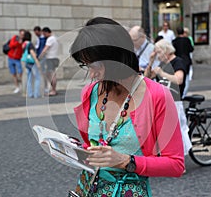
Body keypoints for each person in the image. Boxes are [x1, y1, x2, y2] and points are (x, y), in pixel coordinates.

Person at [70, 17, 184, 196]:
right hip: (87, 187)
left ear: (116, 58)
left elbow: (176, 164)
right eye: (86, 65)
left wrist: (126, 161)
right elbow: (90, 144)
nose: (91, 74)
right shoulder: (90, 93)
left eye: (95, 65)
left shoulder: (158, 96)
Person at [145, 39, 192, 158]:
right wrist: (151, 62)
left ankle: (180, 159)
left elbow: (179, 79)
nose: (158, 56)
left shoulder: (178, 62)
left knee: (178, 131)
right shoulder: (162, 64)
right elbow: (147, 77)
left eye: (159, 53)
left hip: (175, 100)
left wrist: (162, 73)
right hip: (163, 101)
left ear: (166, 51)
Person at [172, 27, 194, 97]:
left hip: (178, 61)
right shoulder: (187, 40)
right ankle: (184, 93)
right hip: (186, 60)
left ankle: (180, 92)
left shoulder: (174, 41)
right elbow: (191, 49)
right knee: (186, 77)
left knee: (179, 76)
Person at [38, 27, 59, 96]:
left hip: (50, 58)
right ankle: (53, 89)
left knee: (51, 75)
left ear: (47, 32)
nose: (44, 35)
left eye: (44, 34)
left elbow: (45, 49)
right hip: (55, 58)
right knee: (52, 74)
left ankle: (53, 90)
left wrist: (39, 57)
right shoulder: (55, 38)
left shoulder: (50, 39)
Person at [21, 31, 41, 98]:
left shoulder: (23, 44)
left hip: (27, 62)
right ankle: (36, 94)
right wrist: (37, 62)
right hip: (32, 63)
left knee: (29, 78)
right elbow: (32, 53)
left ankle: (30, 94)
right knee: (37, 78)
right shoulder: (30, 44)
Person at [7, 29, 25, 93]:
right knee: (13, 73)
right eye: (21, 34)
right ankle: (17, 87)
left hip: (17, 59)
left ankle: (23, 85)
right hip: (11, 58)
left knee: (20, 72)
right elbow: (11, 45)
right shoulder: (15, 38)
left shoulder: (24, 41)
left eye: (23, 35)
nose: (22, 36)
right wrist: (18, 43)